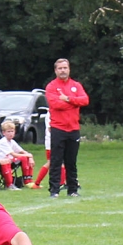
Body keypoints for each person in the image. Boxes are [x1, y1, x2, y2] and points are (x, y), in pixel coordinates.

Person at [42, 58, 88, 197]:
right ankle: (54, 190)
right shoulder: (51, 86)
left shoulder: (76, 85)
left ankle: (72, 190)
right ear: (55, 70)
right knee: (56, 160)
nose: (63, 70)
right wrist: (74, 103)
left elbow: (85, 100)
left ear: (69, 69)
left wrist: (68, 99)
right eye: (60, 68)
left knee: (71, 161)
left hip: (73, 129)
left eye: (65, 68)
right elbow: (55, 104)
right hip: (58, 128)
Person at [0, 121, 34, 190]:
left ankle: (28, 180)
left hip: (10, 160)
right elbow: (14, 154)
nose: (10, 133)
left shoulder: (12, 141)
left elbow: (22, 151)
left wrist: (30, 157)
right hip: (1, 162)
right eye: (8, 131)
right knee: (21, 158)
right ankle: (9, 184)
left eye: (12, 131)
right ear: (4, 133)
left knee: (25, 158)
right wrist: (29, 155)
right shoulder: (3, 142)